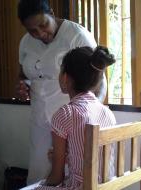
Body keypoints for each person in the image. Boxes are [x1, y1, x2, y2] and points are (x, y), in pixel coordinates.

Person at [16, 0, 107, 184]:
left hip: (71, 120)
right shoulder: (25, 43)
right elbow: (24, 73)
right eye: (32, 30)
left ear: (51, 12)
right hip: (40, 119)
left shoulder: (77, 36)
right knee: (39, 170)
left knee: (69, 172)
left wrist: (87, 120)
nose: (40, 33)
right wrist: (22, 85)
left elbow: (98, 80)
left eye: (43, 25)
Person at [22, 46, 116, 190]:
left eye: (60, 70)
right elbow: (94, 158)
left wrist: (41, 185)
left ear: (65, 78)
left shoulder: (65, 114)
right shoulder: (107, 113)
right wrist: (67, 157)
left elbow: (56, 178)